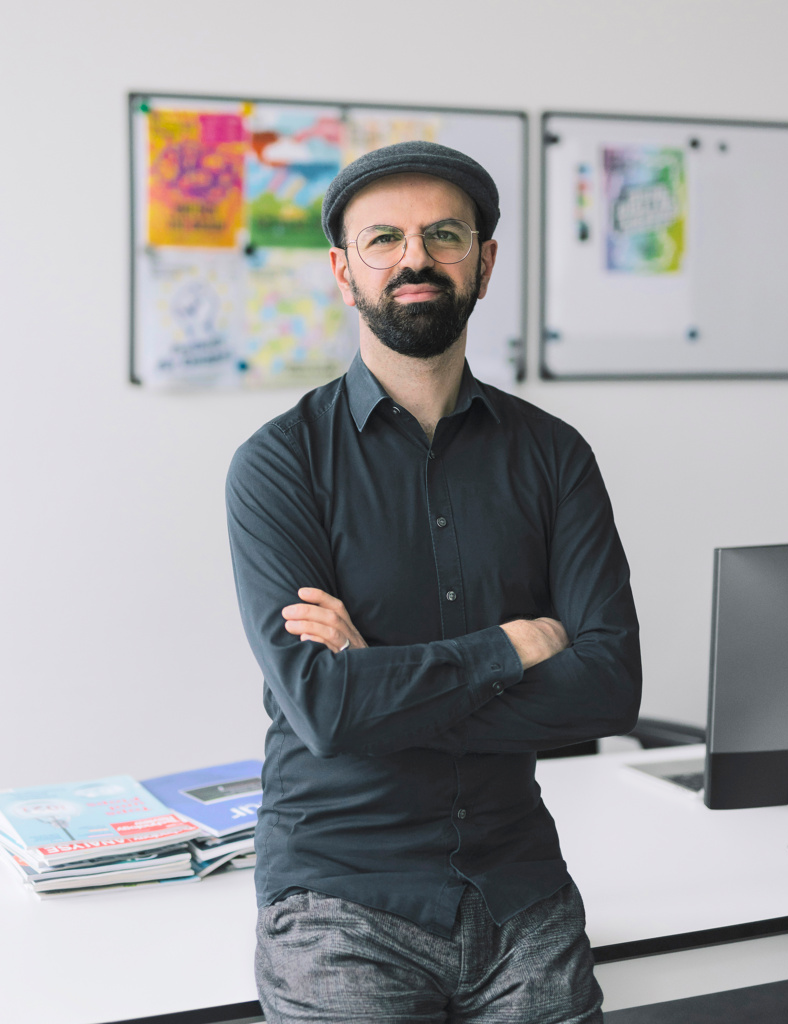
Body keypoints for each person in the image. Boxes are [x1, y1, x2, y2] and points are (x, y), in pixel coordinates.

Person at [226, 141, 641, 1024]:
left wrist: (380, 684)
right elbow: (324, 709)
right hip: (340, 900)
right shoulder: (279, 465)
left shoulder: (554, 456)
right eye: (383, 239)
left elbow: (608, 688)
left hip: (521, 892)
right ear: (344, 272)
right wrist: (509, 648)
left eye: (442, 235)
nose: (413, 258)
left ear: (482, 264)